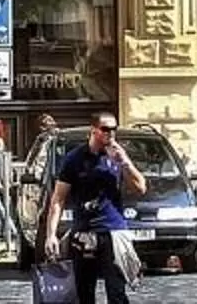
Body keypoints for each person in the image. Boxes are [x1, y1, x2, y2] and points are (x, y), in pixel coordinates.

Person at [48, 109, 147, 304]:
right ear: (94, 130)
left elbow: (141, 187)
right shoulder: (75, 159)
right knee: (84, 293)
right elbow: (58, 198)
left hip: (113, 231)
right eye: (106, 129)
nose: (111, 134)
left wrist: (124, 163)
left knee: (117, 292)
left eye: (114, 129)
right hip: (84, 233)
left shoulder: (118, 155)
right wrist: (51, 234)